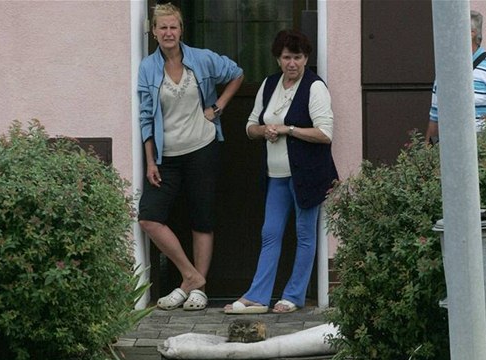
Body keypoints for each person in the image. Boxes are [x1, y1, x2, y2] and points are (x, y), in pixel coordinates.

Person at [138, 2, 243, 311]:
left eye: (173, 26)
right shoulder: (148, 67)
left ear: (181, 29)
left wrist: (218, 106)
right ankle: (192, 276)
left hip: (202, 148)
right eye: (163, 27)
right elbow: (146, 118)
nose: (168, 32)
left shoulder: (201, 58)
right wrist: (150, 161)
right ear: (154, 31)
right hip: (166, 156)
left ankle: (196, 290)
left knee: (202, 218)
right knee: (149, 217)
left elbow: (237, 73)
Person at [224, 29, 337, 315]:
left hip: (308, 175)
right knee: (270, 232)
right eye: (287, 57)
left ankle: (294, 296)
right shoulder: (269, 84)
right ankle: (258, 296)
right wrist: (264, 130)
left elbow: (325, 133)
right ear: (278, 59)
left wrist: (288, 130)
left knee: (305, 233)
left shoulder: (315, 87)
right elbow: (250, 126)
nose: (292, 63)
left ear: (306, 58)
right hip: (275, 174)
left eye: (298, 57)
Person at [425, 10, 486, 144]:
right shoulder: (445, 72)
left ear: (471, 33)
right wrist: (427, 158)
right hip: (451, 158)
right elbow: (435, 121)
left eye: (452, 29)